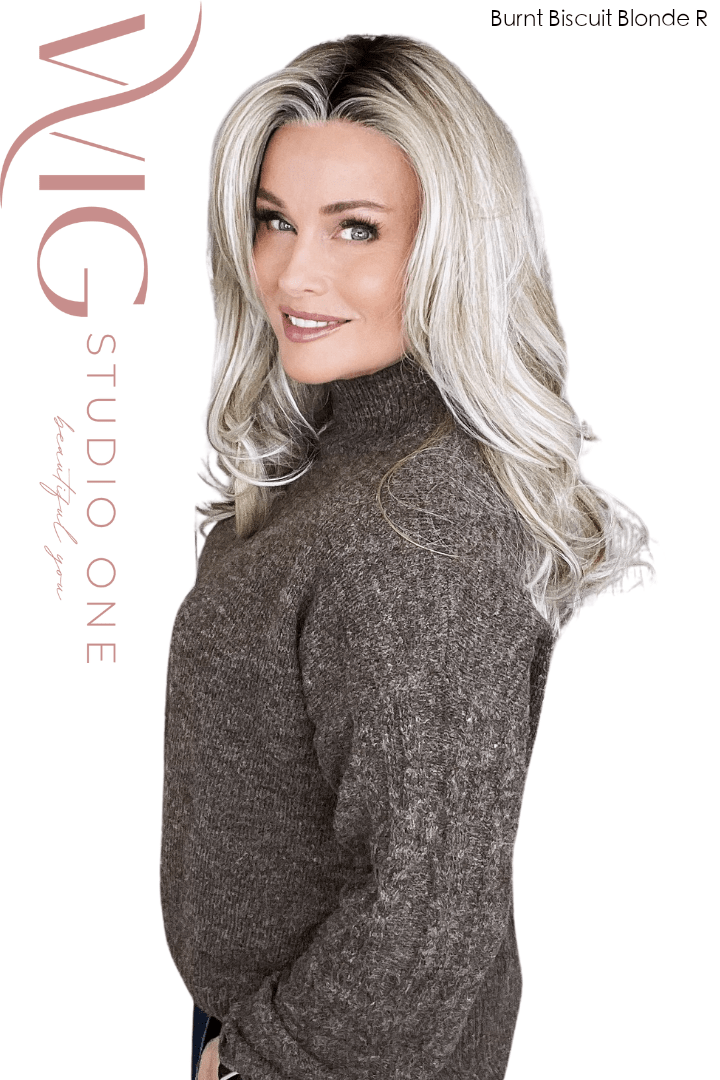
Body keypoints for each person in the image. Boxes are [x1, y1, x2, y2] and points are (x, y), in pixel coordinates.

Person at [161, 34, 649, 1080]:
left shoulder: (415, 527)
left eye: (358, 229)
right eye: (275, 220)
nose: (296, 273)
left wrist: (261, 1063)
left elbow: (425, 919)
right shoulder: (349, 466)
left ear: (453, 250)